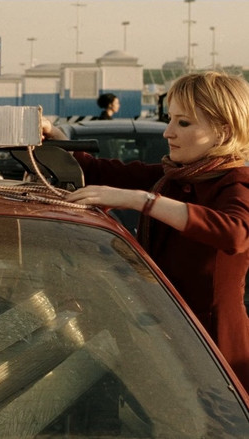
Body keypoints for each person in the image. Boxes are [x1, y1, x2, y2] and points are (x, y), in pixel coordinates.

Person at [54, 71, 249, 389]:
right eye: (170, 120)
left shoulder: (237, 183)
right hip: (166, 338)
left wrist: (140, 201)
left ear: (223, 131)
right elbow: (100, 170)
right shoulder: (174, 176)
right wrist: (54, 137)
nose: (168, 132)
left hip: (214, 349)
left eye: (183, 123)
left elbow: (235, 233)